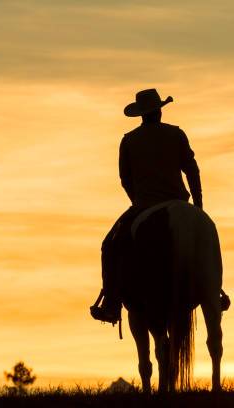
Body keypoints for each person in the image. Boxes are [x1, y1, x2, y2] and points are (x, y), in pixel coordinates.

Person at [91, 88, 204, 324]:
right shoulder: (176, 134)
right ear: (160, 111)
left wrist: (138, 201)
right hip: (179, 202)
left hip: (144, 205)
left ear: (141, 114)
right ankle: (215, 291)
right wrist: (198, 205)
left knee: (110, 246)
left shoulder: (129, 140)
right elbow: (192, 169)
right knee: (206, 238)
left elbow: (125, 179)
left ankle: (111, 303)